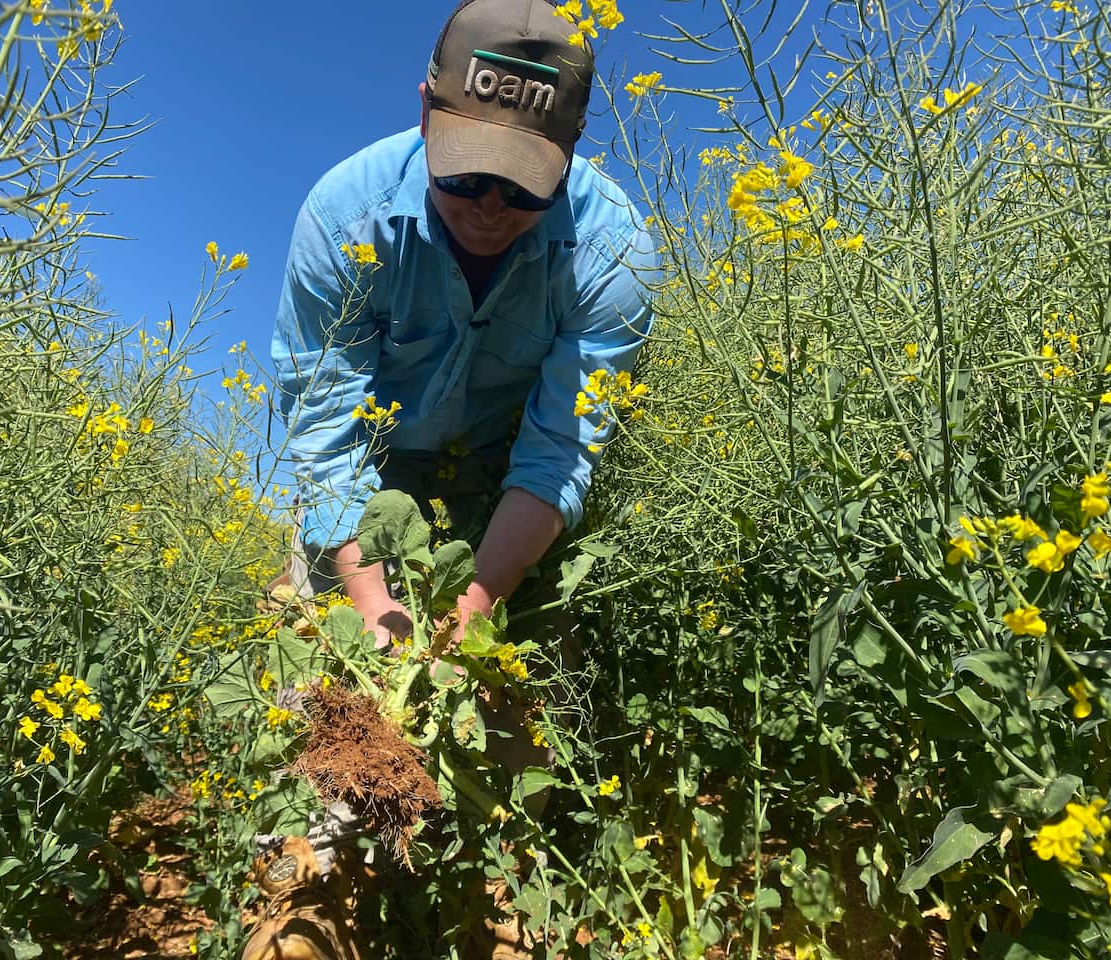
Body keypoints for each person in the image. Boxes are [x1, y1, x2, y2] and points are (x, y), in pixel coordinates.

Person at [255, 0, 655, 956]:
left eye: (522, 188)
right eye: (468, 173)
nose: (489, 206)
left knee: (504, 701)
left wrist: (468, 608)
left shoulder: (614, 253)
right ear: (426, 108)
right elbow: (322, 428)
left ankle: (493, 897)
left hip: (506, 482)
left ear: (569, 155)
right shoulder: (343, 216)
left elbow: (559, 453)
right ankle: (309, 895)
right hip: (370, 473)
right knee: (324, 675)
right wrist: (379, 609)